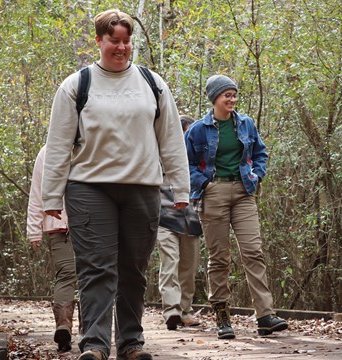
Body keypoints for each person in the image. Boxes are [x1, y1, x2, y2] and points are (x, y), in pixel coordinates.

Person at [41, 9, 189, 360]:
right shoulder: (77, 85)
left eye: (126, 41)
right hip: (89, 188)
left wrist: (180, 190)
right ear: (99, 41)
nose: (121, 48)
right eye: (114, 41)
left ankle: (131, 343)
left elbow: (171, 141)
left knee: (133, 269)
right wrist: (51, 198)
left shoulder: (152, 83)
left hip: (143, 188)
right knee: (96, 267)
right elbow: (59, 145)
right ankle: (93, 344)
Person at [184, 75, 288, 340]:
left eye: (233, 94)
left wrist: (257, 175)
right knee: (219, 258)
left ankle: (265, 315)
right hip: (213, 192)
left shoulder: (246, 124)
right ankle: (222, 317)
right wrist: (204, 184)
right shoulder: (197, 130)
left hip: (243, 192)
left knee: (253, 251)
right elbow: (187, 164)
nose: (231, 99)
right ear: (214, 98)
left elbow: (260, 153)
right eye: (226, 95)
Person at [26, 145, 77, 353]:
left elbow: (36, 192)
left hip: (60, 225)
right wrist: (33, 230)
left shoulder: (47, 150)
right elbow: (37, 191)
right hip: (84, 224)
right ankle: (86, 331)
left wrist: (34, 230)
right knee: (91, 277)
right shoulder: (48, 151)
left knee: (65, 276)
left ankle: (64, 325)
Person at [157, 115, 202, 331]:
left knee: (189, 267)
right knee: (169, 263)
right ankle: (171, 311)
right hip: (164, 218)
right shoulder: (160, 154)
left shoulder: (197, 161)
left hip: (192, 220)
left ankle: (185, 311)